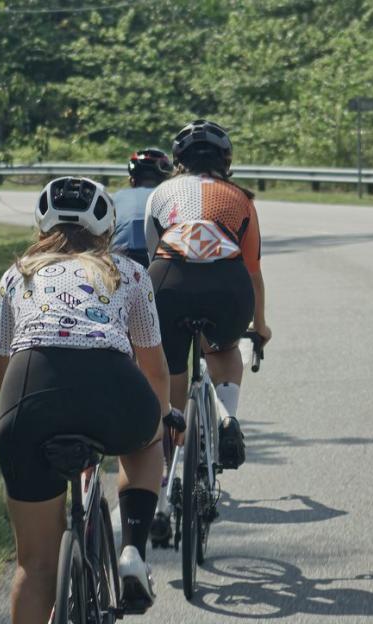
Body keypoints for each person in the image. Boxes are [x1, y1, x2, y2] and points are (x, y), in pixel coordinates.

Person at [0, 177, 176, 622]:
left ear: (41, 225)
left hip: (29, 394)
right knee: (150, 435)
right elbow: (154, 372)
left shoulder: (16, 276)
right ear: (106, 227)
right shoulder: (129, 273)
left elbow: (4, 376)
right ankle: (132, 547)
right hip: (112, 389)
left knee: (35, 567)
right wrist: (167, 416)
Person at [144, 119, 272, 470]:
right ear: (226, 161)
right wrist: (259, 326)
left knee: (171, 364)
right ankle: (228, 416)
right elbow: (253, 272)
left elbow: (153, 254)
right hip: (227, 286)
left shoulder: (159, 194)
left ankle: (172, 461)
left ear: (178, 160)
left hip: (169, 279)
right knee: (225, 348)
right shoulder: (241, 199)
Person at [112, 148, 173, 267]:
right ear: (165, 180)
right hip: (160, 262)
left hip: (120, 260)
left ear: (132, 180)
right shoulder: (172, 196)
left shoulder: (116, 197)